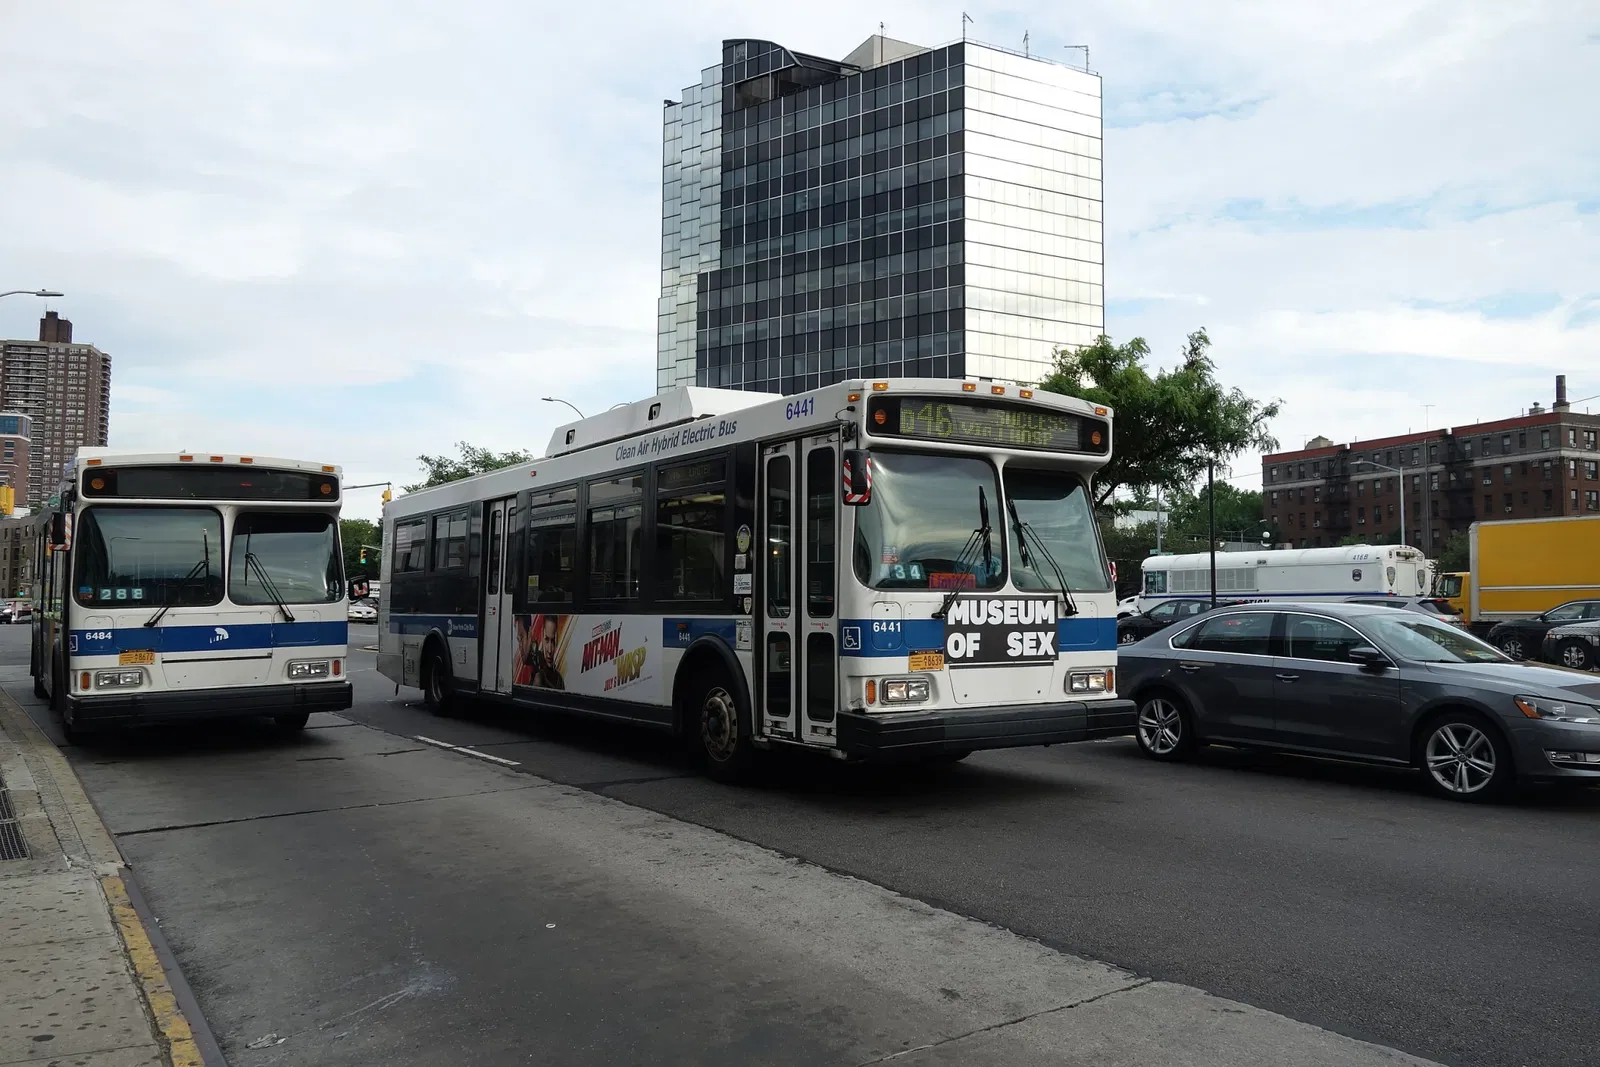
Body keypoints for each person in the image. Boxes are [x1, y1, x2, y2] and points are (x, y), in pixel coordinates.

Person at [525, 615, 565, 690]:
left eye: (552, 641)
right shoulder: (536, 668)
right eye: (546, 639)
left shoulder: (559, 680)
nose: (549, 650)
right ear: (542, 635)